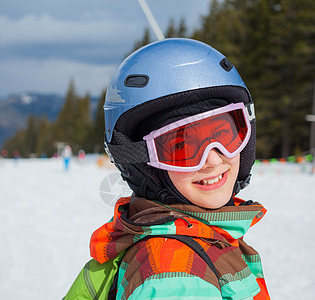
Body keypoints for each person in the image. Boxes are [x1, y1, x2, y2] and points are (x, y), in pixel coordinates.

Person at [66, 38, 270, 299]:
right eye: (183, 148)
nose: (213, 159)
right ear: (143, 164)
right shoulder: (174, 277)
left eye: (225, 135)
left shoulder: (201, 239)